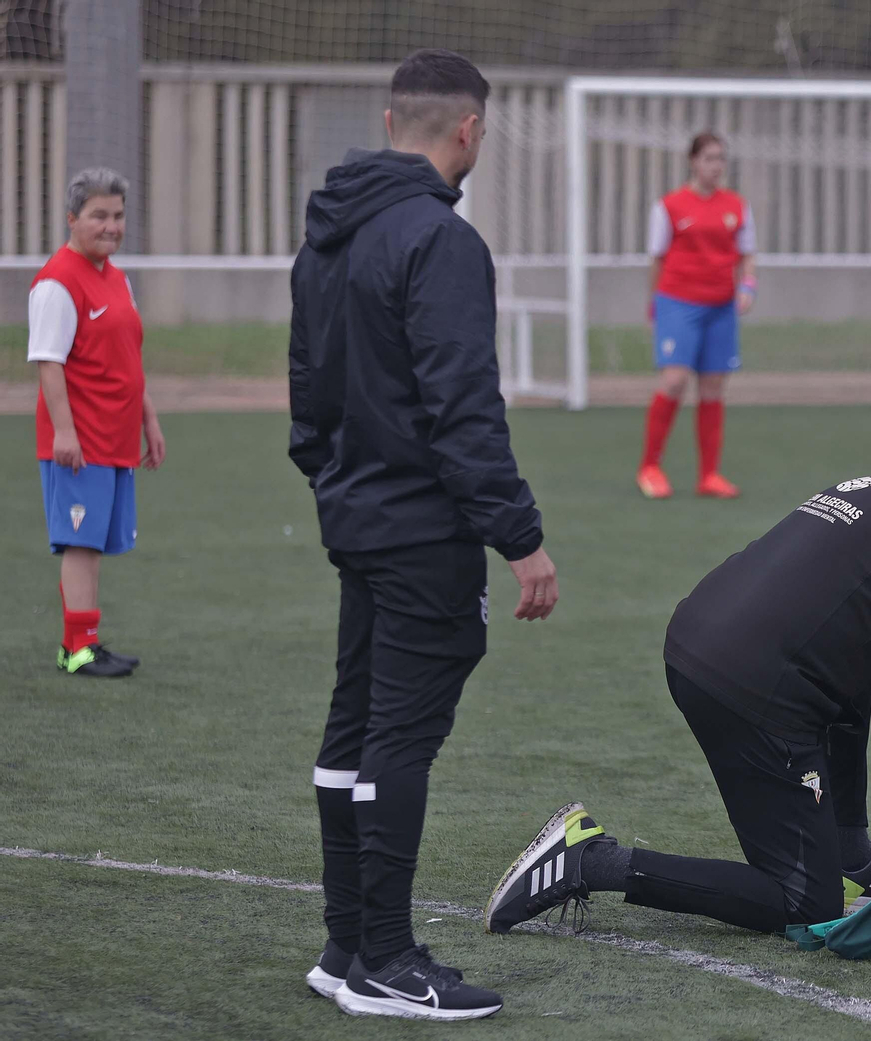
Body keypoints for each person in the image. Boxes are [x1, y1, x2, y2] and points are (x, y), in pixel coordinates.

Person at [485, 472, 871, 936]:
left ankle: (850, 857)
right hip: (753, 687)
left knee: (857, 676)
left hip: (705, 644)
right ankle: (589, 861)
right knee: (805, 904)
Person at [289, 48, 560, 1021]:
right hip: (418, 532)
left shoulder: (326, 237)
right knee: (397, 736)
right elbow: (463, 408)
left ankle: (346, 947)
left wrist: (339, 483)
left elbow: (306, 395)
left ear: (390, 120)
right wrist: (520, 538)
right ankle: (386, 961)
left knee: (355, 725)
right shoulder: (441, 240)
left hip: (357, 520)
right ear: (468, 130)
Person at [28, 167, 164, 679]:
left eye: (118, 216)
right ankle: (77, 650)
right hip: (81, 442)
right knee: (80, 543)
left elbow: (127, 358)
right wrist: (65, 432)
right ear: (72, 219)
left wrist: (149, 419)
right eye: (99, 215)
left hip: (114, 438)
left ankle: (82, 643)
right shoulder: (57, 282)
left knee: (94, 544)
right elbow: (49, 363)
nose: (111, 226)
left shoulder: (117, 278)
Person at [636, 131, 756, 500]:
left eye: (721, 158)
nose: (716, 166)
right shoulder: (670, 206)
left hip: (720, 307)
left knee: (713, 387)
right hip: (678, 303)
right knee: (674, 381)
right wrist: (655, 303)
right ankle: (650, 467)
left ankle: (709, 475)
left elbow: (746, 255)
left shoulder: (737, 206)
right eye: (709, 158)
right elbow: (657, 259)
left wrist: (747, 286)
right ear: (693, 161)